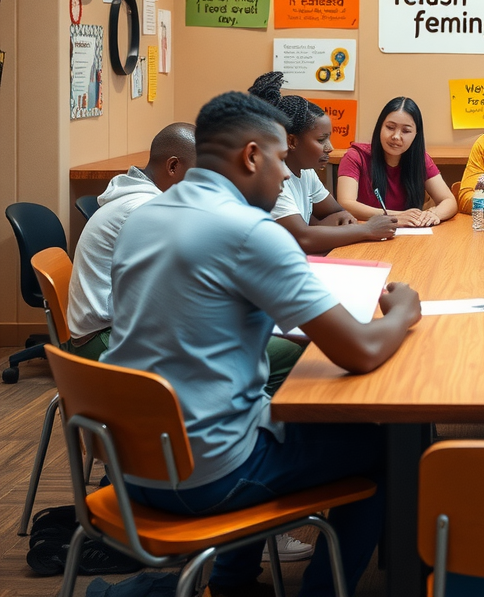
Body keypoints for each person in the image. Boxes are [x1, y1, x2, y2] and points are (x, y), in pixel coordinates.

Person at [103, 91, 422, 597]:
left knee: (276, 410)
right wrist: (404, 311)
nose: (284, 177)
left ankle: (233, 585)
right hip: (202, 478)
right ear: (252, 156)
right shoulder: (251, 231)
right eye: (279, 160)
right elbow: (360, 351)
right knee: (390, 445)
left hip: (128, 465)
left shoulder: (145, 217)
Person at [66, 123, 196, 362]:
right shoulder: (145, 208)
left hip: (108, 332)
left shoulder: (138, 199)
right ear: (174, 166)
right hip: (106, 341)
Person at [249, 72, 397, 250]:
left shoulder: (306, 171)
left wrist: (324, 226)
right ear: (292, 141)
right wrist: (368, 229)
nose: (330, 147)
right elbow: (302, 238)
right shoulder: (270, 177)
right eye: (321, 140)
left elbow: (336, 212)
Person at [337, 97, 457, 226]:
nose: (396, 136)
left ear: (416, 134)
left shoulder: (420, 159)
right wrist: (396, 217)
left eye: (406, 131)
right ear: (379, 127)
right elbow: (346, 203)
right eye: (390, 127)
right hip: (365, 236)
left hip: (408, 237)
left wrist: (433, 215)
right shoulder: (355, 156)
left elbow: (449, 200)